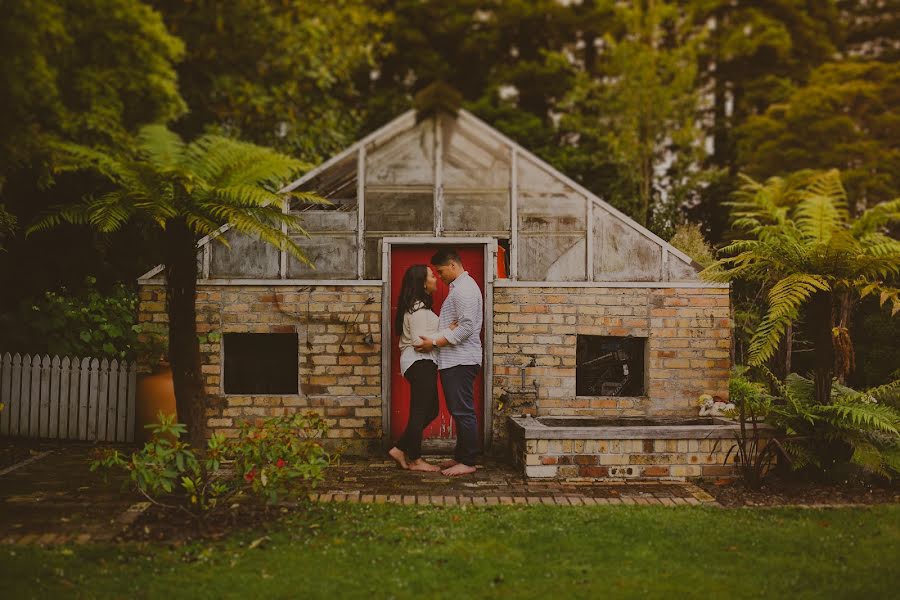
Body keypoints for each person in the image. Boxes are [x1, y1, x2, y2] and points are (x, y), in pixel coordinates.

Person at [414, 248, 483, 476]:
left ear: (453, 265)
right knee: (458, 410)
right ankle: (461, 457)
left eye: (441, 271)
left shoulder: (464, 290)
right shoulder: (460, 289)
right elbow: (459, 325)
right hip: (455, 360)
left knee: (463, 412)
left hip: (461, 361)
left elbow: (466, 328)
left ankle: (469, 461)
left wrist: (434, 343)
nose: (439, 276)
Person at [387, 264, 456, 472]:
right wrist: (447, 332)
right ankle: (415, 459)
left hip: (422, 363)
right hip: (418, 362)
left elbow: (427, 334)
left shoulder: (421, 308)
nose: (436, 278)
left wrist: (444, 331)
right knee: (420, 411)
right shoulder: (417, 309)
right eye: (431, 276)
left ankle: (400, 449)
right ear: (423, 283)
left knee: (431, 410)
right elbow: (419, 341)